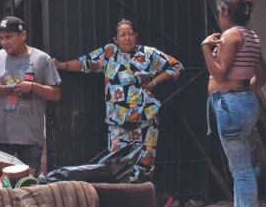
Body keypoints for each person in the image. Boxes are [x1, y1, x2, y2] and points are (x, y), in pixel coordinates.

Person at [53, 20, 183, 183]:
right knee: (117, 164)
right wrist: (61, 65)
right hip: (118, 121)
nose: (127, 38)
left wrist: (153, 82)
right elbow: (83, 63)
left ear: (136, 36)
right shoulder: (109, 53)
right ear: (115, 39)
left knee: (145, 164)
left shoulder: (148, 54)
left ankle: (144, 201)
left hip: (145, 118)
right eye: (122, 35)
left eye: (130, 34)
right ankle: (124, 201)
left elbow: (176, 66)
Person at [203, 0, 266, 207]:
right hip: (243, 102)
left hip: (230, 104)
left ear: (226, 12)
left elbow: (218, 72)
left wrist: (206, 47)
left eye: (220, 13)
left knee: (241, 171)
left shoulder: (230, 36)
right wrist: (243, 91)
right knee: (239, 167)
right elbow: (261, 77)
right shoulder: (251, 36)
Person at [0, 16, 61, 171]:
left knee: (26, 188)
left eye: (8, 37)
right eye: (1, 38)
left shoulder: (42, 59)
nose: (4, 42)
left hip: (29, 139)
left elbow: (55, 94)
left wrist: (32, 87)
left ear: (23, 36)